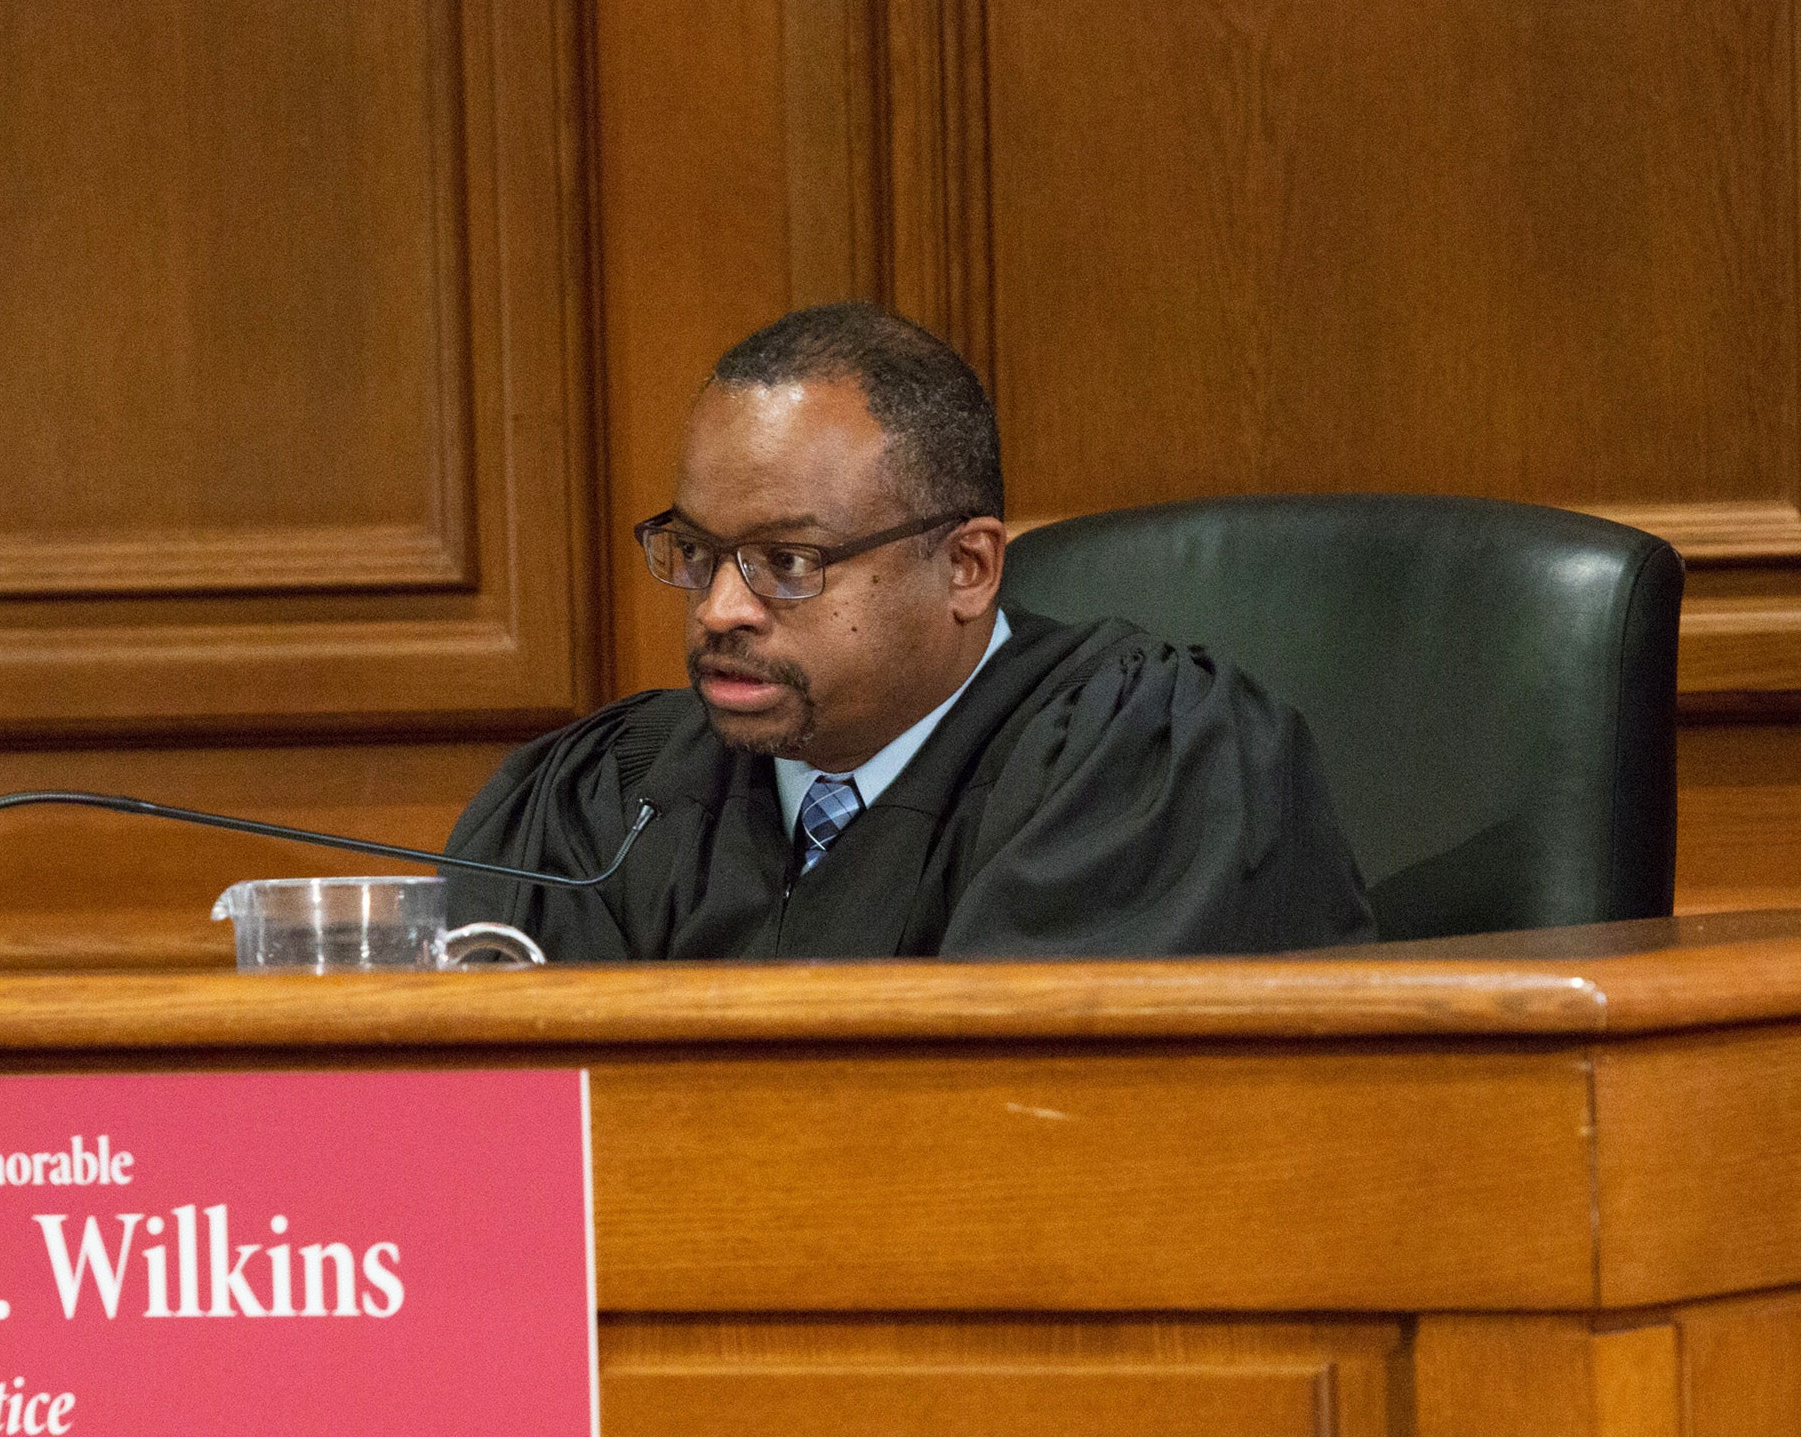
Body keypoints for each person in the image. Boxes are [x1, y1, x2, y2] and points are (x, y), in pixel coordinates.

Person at [445, 302, 1374, 958]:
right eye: (695, 551)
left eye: (788, 561)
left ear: (966, 567)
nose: (719, 608)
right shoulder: (602, 799)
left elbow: (1042, 1122)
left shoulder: (1141, 764)